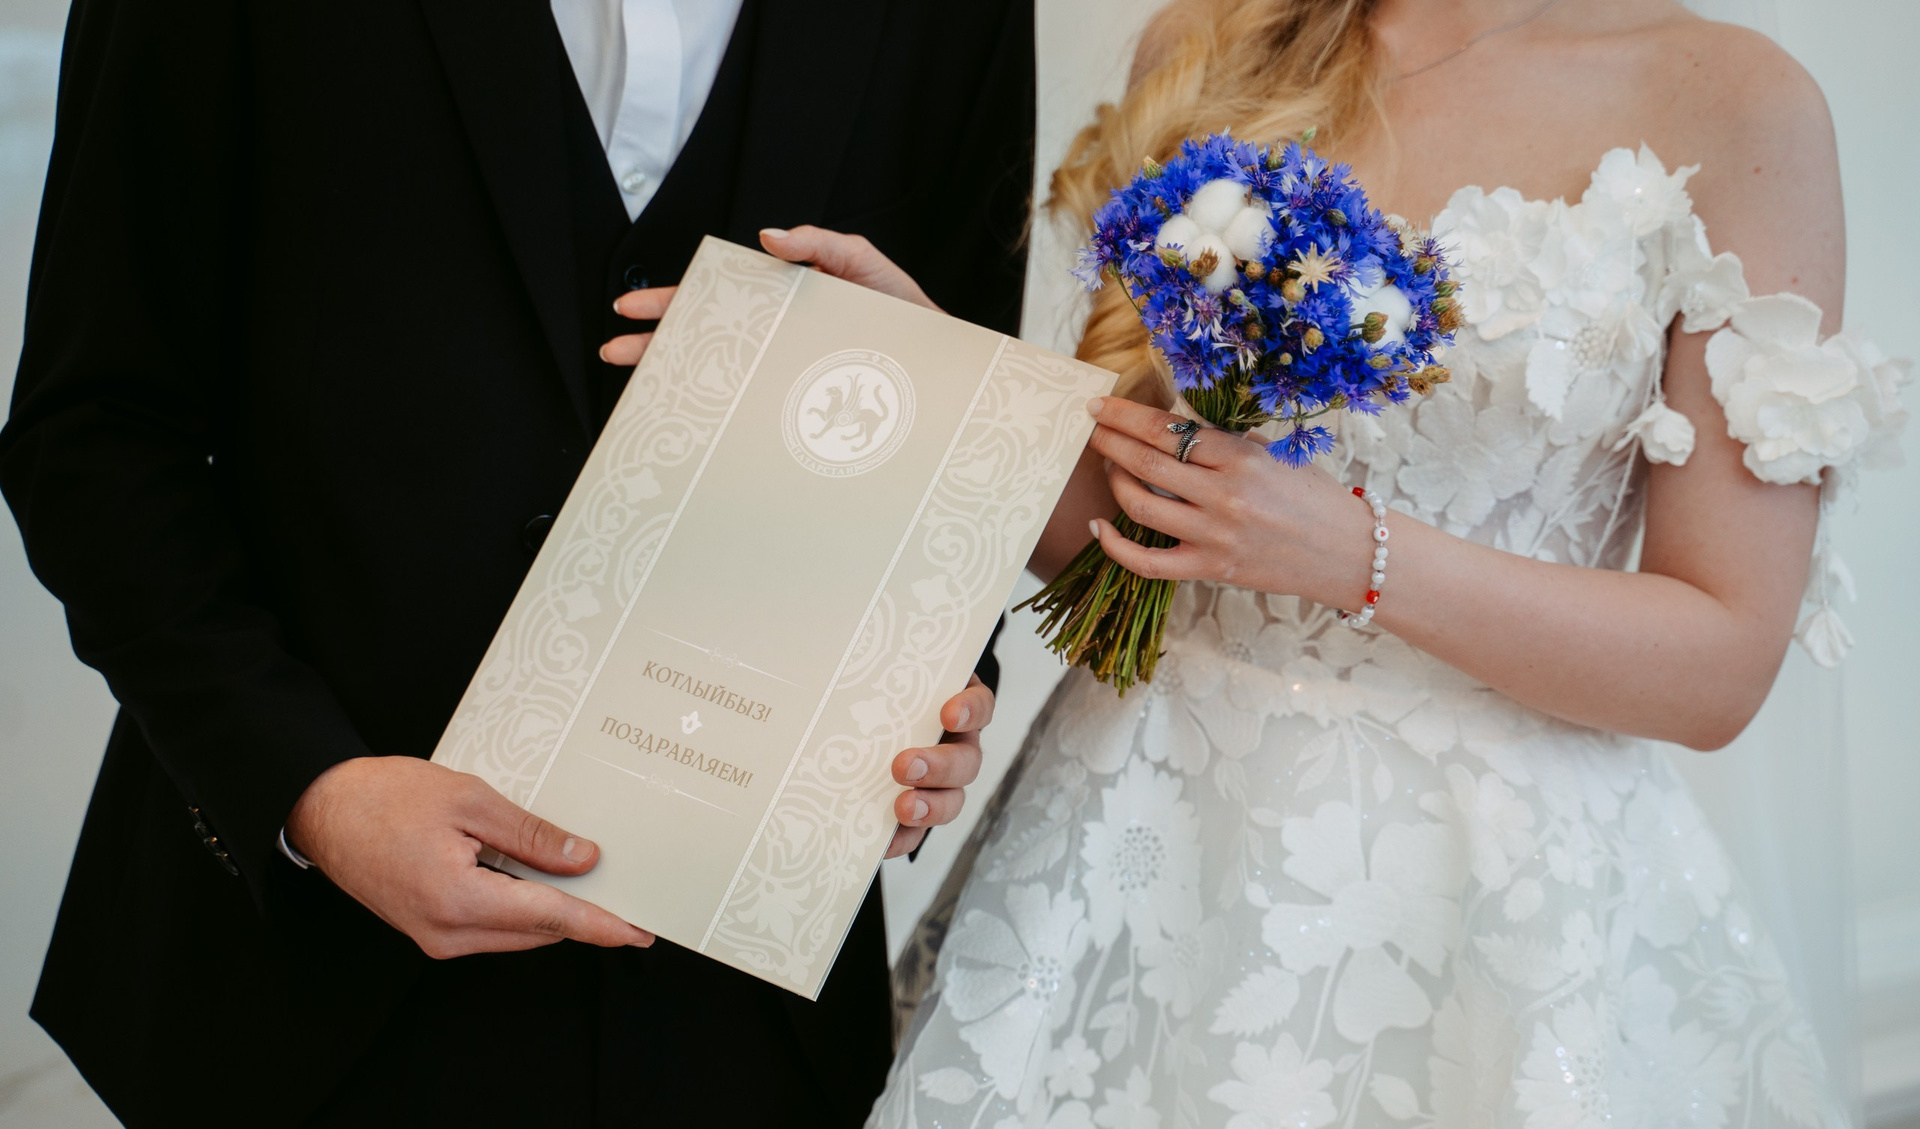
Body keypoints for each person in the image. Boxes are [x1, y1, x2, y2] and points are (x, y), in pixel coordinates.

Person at [746, 0, 1905, 1125]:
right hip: (1141, 846)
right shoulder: (1215, 44)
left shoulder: (1733, 100)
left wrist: (1360, 554)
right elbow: (1131, 536)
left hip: (1492, 902)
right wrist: (936, 376)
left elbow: (1721, 661)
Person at [1, 1, 1032, 1125]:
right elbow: (94, 431)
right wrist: (309, 790)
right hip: (309, 999)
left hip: (745, 1024)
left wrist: (927, 695)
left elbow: (964, 413)